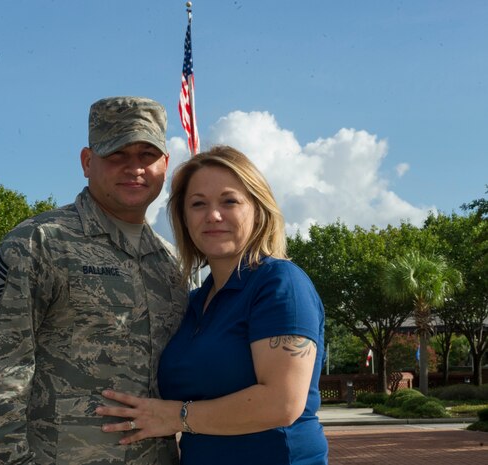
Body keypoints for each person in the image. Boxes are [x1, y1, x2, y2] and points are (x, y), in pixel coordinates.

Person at [0, 96, 188, 465]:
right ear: (86, 162)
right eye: (116, 155)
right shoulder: (39, 243)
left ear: (165, 164)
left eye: (147, 155)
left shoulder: (172, 263)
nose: (134, 168)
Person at [96, 146, 328, 465]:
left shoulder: (280, 283)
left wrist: (177, 416)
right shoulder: (193, 302)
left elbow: (282, 404)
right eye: (198, 204)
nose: (213, 215)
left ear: (258, 209)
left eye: (229, 201)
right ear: (184, 219)